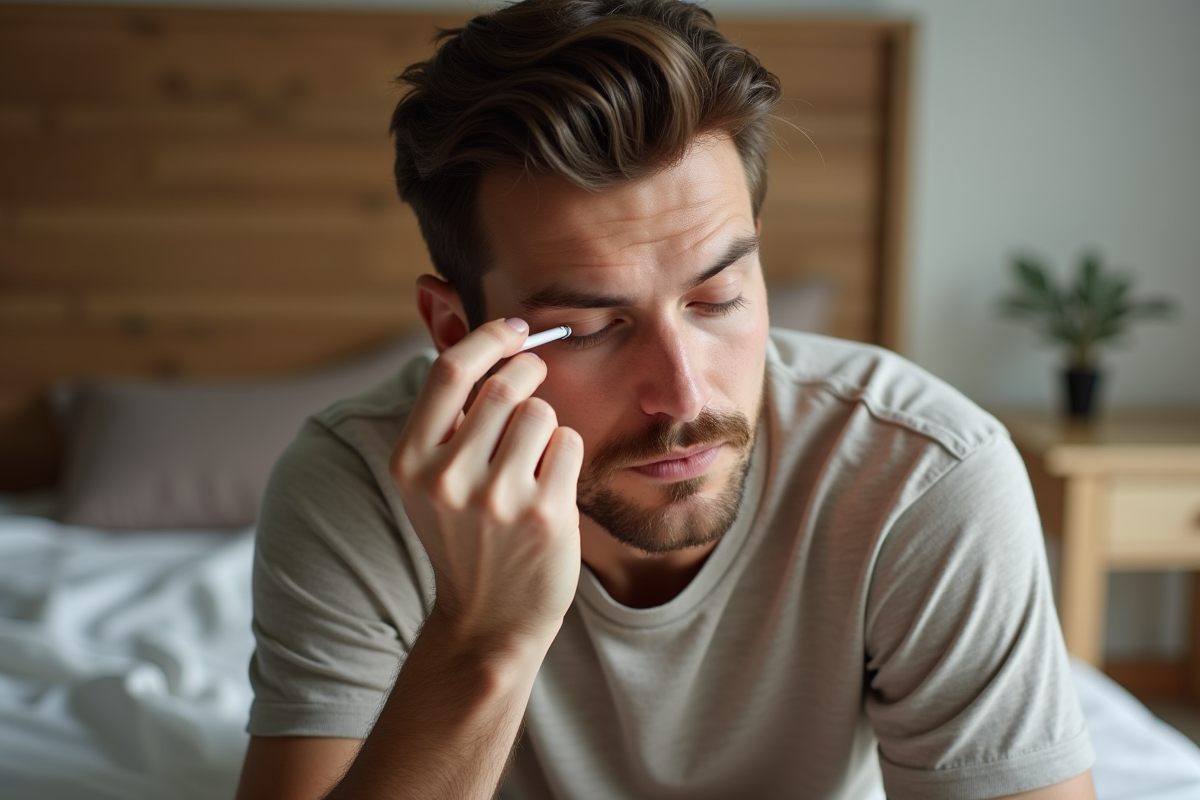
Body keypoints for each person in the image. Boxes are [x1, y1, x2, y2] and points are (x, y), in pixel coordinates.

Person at [235, 1, 1096, 797]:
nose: (682, 394)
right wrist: (485, 634)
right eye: (586, 327)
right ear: (459, 330)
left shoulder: (922, 474)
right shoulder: (357, 487)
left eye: (717, 301)